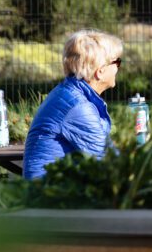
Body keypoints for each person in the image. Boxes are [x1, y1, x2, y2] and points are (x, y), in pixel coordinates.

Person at [23, 29, 121, 179]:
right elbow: (109, 160)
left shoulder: (68, 93)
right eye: (117, 62)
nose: (118, 68)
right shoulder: (78, 107)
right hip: (48, 193)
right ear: (100, 71)